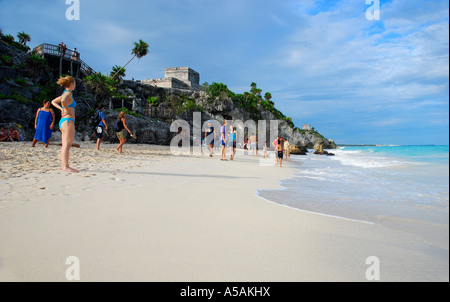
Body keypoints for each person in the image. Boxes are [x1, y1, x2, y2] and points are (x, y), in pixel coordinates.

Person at [51, 75, 78, 173]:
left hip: (63, 121)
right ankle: (65, 166)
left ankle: (64, 165)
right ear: (71, 84)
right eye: (74, 83)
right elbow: (62, 101)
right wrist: (66, 109)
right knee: (67, 144)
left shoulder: (64, 93)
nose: (75, 85)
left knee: (65, 145)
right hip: (68, 121)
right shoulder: (68, 93)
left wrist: (61, 108)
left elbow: (53, 102)